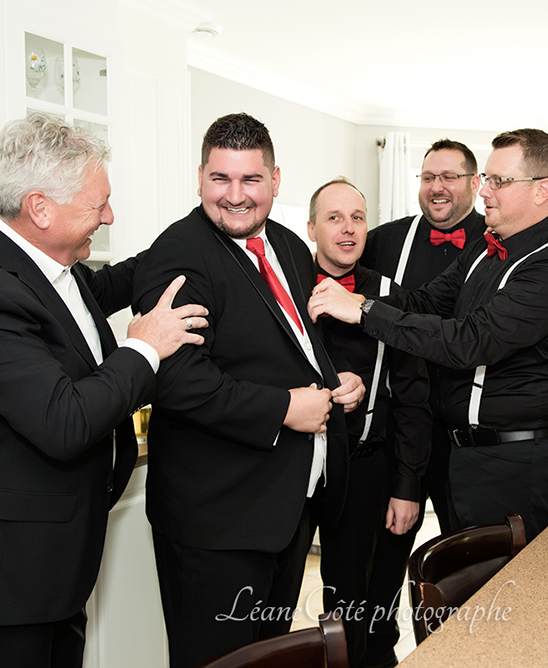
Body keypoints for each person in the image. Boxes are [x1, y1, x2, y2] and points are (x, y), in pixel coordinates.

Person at [0, 111, 207, 668]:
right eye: (98, 205)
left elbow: (103, 289)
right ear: (40, 208)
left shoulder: (49, 263)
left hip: (56, 566)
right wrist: (145, 346)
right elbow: (64, 421)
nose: (108, 216)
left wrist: (197, 233)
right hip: (5, 578)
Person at [131, 113, 365, 667]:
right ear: (200, 178)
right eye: (221, 179)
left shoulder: (286, 244)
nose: (235, 196)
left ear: (275, 180)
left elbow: (294, 342)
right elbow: (177, 380)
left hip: (285, 510)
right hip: (217, 522)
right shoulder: (179, 254)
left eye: (251, 180)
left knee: (269, 659)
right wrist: (285, 408)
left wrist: (335, 379)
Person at [310, 128, 548, 544]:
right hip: (467, 457)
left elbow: (470, 341)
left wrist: (364, 310)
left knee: (514, 582)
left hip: (521, 463)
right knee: (468, 580)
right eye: (487, 179)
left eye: (499, 181)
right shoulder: (484, 248)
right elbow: (422, 303)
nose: (485, 192)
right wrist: (352, 291)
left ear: (542, 190)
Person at [357, 138, 484, 667]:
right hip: (397, 428)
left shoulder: (499, 242)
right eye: (428, 176)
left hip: (463, 437)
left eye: (450, 176)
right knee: (382, 561)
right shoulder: (385, 240)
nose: (437, 187)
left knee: (468, 562)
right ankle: (376, 654)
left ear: (475, 184)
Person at [307, 178, 431, 668]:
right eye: (334, 218)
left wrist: (407, 486)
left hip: (367, 470)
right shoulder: (287, 289)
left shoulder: (388, 295)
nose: (348, 228)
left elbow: (414, 398)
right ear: (312, 228)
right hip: (296, 469)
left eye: (357, 218)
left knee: (368, 611)